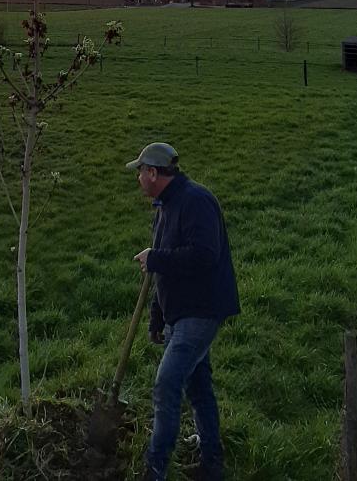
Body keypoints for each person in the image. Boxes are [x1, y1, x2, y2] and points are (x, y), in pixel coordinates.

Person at [127, 141, 240, 481]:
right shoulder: (165, 207)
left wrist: (156, 258)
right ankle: (211, 461)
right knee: (198, 386)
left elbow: (205, 254)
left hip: (202, 310)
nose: (137, 179)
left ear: (152, 173)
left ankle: (155, 468)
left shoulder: (195, 201)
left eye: (139, 173)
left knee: (166, 384)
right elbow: (166, 272)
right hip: (180, 314)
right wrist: (157, 319)